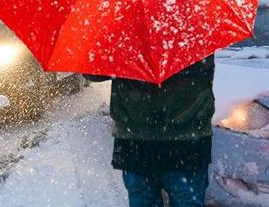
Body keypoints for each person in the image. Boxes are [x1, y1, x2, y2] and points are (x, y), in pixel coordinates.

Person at [85, 55, 215, 207]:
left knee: (143, 198)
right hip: (188, 145)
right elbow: (204, 72)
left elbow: (92, 71)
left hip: (136, 144)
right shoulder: (195, 37)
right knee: (187, 199)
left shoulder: (125, 41)